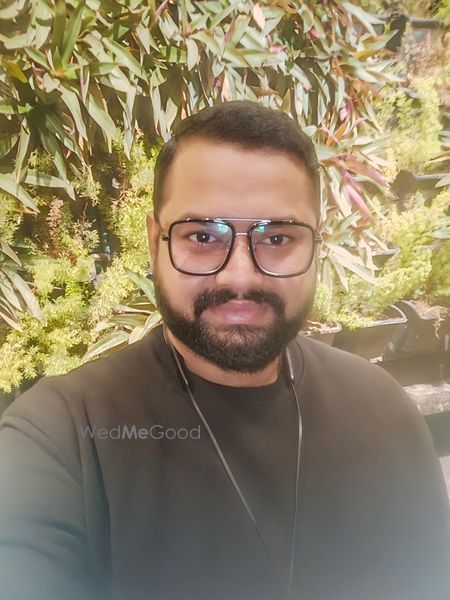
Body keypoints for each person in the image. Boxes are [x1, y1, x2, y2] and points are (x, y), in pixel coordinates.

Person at [0, 101, 448, 600]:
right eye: (202, 236)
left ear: (316, 246)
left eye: (277, 237)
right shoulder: (62, 438)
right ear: (154, 242)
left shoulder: (382, 410)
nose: (240, 276)